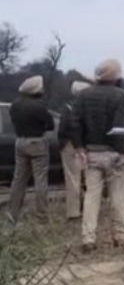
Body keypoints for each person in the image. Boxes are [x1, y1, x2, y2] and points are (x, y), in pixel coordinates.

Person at [70, 59, 124, 252]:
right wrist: (121, 151)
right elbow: (120, 125)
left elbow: (75, 123)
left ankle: (88, 238)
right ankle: (120, 235)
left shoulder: (83, 95)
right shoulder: (121, 96)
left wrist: (79, 147)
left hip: (91, 152)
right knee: (117, 197)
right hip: (114, 152)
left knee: (91, 196)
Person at [7, 75, 54, 224]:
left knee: (18, 180)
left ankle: (12, 215)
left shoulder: (15, 105)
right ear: (36, 90)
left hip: (20, 141)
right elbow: (51, 125)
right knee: (40, 180)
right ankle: (42, 216)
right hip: (37, 142)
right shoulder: (39, 107)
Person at [58, 80, 91, 222]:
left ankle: (73, 211)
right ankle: (88, 207)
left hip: (71, 145)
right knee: (87, 178)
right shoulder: (87, 109)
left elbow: (63, 128)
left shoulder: (69, 108)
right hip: (84, 145)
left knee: (72, 179)